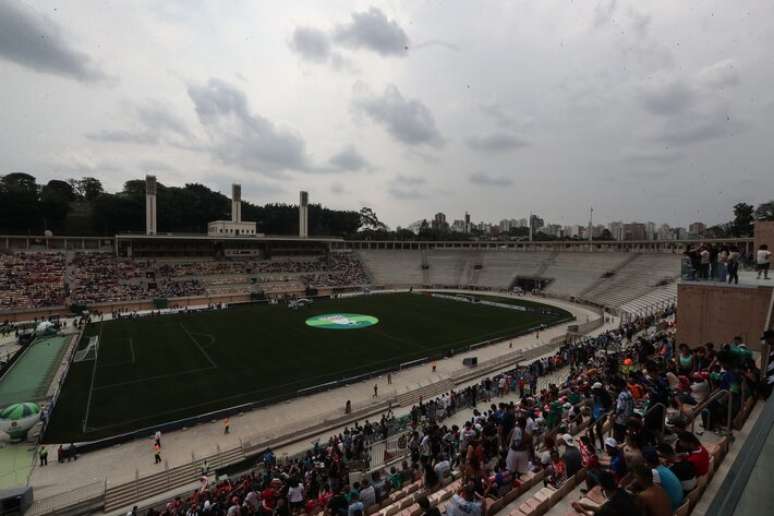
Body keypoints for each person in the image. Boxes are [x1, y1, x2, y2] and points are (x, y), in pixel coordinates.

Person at [572, 471, 643, 516]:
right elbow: (602, 510)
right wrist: (586, 506)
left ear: (603, 488)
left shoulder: (611, 507)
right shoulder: (621, 492)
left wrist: (582, 510)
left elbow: (604, 511)